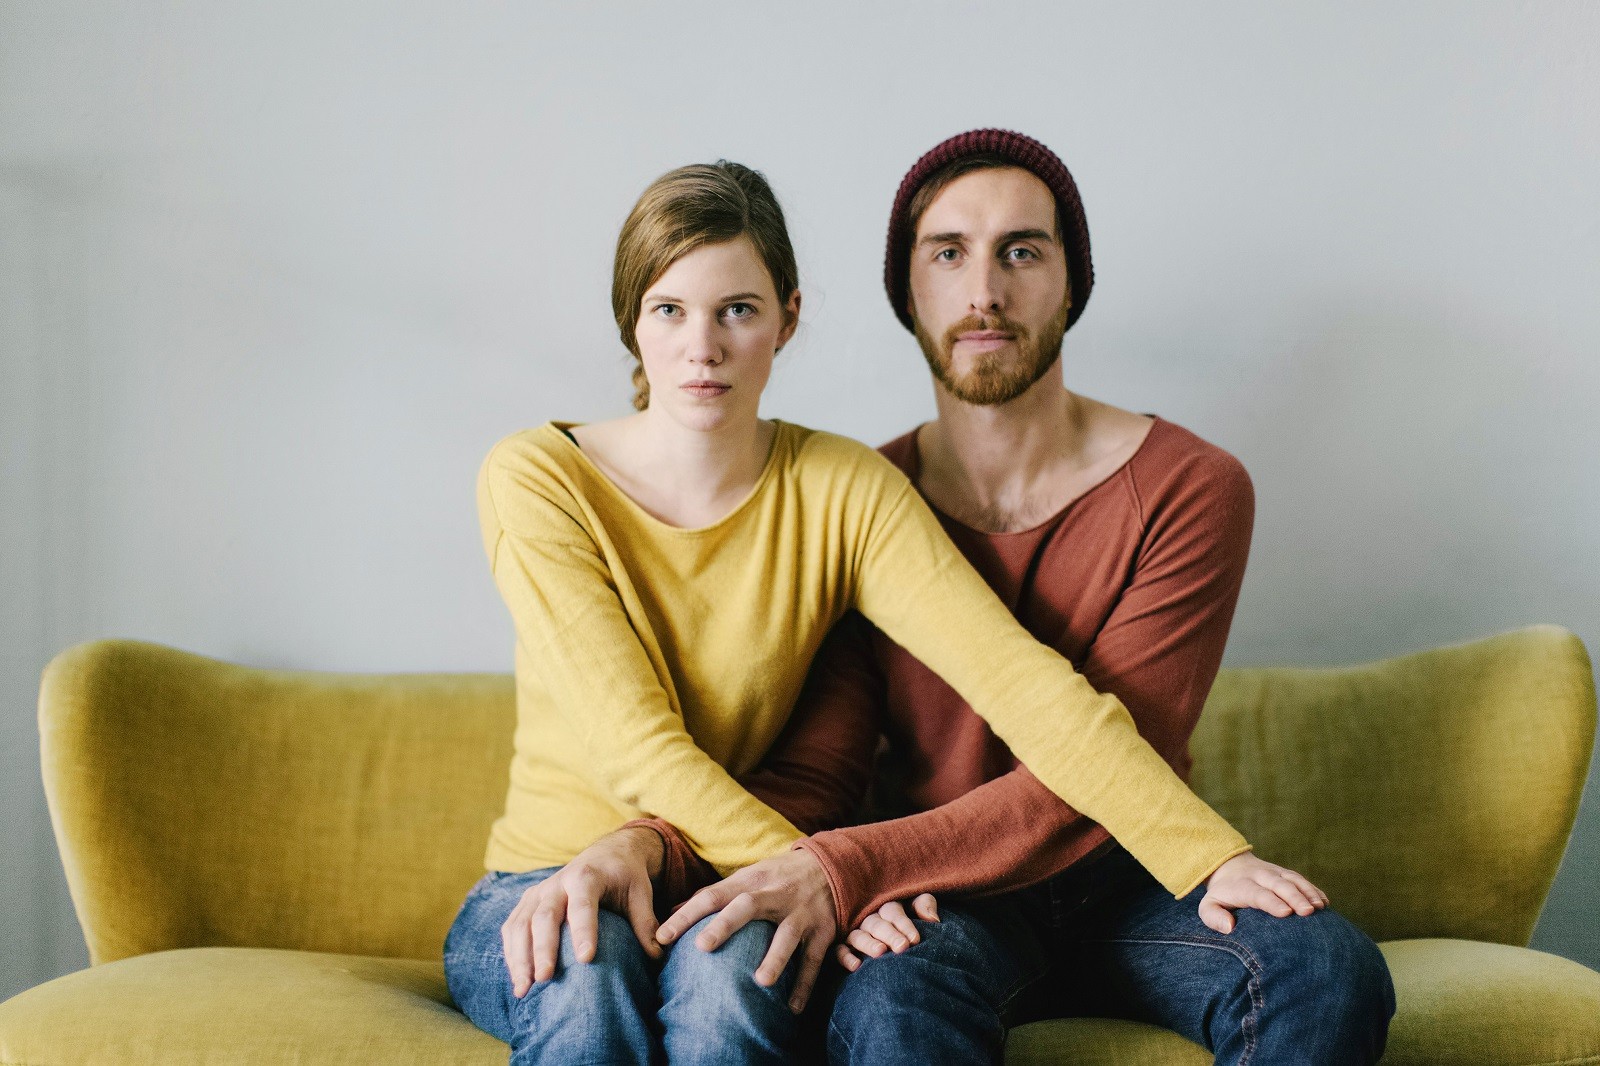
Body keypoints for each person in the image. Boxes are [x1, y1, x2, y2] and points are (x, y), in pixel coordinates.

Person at [443, 157, 1323, 1066]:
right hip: (555, 869)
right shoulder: (537, 476)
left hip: (739, 869)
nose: (702, 347)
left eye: (736, 310)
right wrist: (822, 871)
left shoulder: (846, 486)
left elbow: (1022, 683)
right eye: (669, 310)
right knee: (587, 991)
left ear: (788, 318)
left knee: (727, 1001)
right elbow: (637, 745)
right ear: (632, 318)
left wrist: (1206, 854)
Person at [646, 130, 1398, 1064]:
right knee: (891, 1003)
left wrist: (846, 866)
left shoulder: (1190, 486)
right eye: (947, 254)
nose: (984, 292)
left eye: (1022, 252)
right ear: (906, 291)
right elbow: (825, 765)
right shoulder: (855, 499)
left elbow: (1110, 763)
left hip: (1135, 876)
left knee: (1323, 967)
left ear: (1071, 283)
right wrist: (649, 842)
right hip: (945, 896)